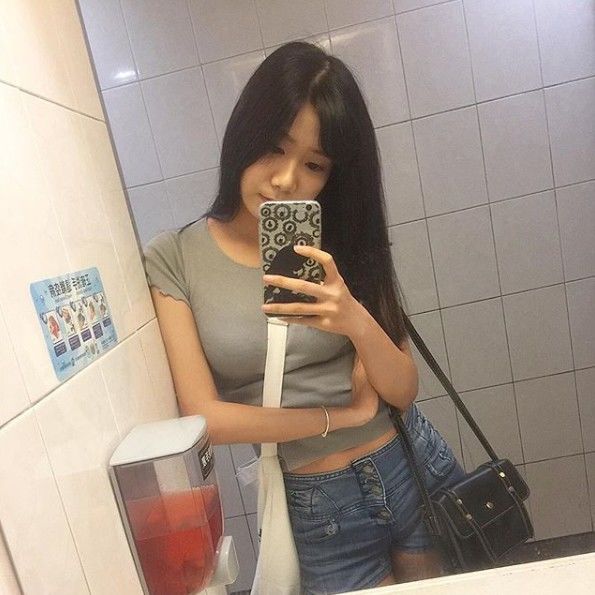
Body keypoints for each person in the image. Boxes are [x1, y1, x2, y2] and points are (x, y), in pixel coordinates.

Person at [143, 41, 466, 594]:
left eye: (314, 165)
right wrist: (336, 417)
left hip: (411, 463)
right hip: (318, 503)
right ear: (244, 133)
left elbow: (401, 389)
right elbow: (204, 417)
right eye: (274, 148)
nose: (286, 179)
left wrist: (354, 319)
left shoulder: (340, 240)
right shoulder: (174, 257)